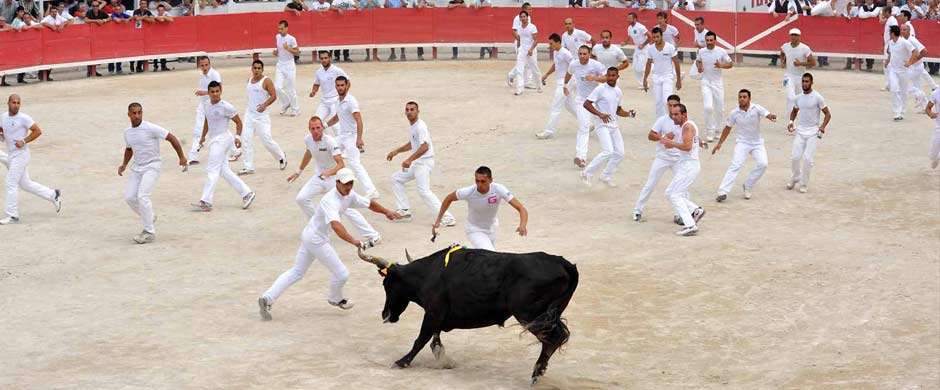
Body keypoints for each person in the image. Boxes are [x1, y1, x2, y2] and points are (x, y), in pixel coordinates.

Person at [258, 168, 401, 321]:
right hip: (316, 240)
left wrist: (386, 212)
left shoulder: (349, 194)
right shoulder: (330, 201)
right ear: (337, 182)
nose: (349, 187)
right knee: (342, 273)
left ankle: (267, 298)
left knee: (297, 272)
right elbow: (335, 225)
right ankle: (335, 298)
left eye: (351, 183)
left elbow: (369, 204)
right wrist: (353, 240)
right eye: (345, 184)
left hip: (310, 235)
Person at [289, 116, 382, 246]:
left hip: (334, 179)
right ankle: (320, 228)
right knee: (301, 199)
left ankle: (373, 235)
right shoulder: (308, 139)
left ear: (322, 128)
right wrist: (298, 171)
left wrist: (329, 172)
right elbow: (309, 153)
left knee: (348, 209)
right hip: (319, 177)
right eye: (313, 128)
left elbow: (341, 164)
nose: (316, 131)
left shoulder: (330, 141)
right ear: (309, 129)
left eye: (318, 128)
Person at [117, 102, 187, 244]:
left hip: (153, 165)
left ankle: (149, 231)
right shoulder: (127, 132)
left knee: (143, 195)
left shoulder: (150, 128)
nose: (137, 116)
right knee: (129, 197)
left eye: (139, 112)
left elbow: (171, 138)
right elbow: (129, 149)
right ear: (129, 115)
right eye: (134, 113)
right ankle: (150, 216)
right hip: (137, 167)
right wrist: (124, 164)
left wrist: (182, 157)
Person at [386, 101, 456, 226]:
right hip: (418, 163)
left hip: (424, 163)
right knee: (396, 178)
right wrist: (396, 151)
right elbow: (412, 144)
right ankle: (404, 210)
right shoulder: (413, 126)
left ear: (418, 111)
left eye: (412, 109)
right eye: (407, 110)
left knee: (424, 191)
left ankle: (448, 217)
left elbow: (425, 147)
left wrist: (409, 160)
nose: (409, 112)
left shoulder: (420, 126)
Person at [191, 81, 256, 211]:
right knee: (224, 171)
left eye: (217, 91)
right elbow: (207, 121)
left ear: (220, 91)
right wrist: (203, 136)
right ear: (208, 93)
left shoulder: (227, 107)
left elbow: (238, 122)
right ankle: (247, 193)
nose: (215, 94)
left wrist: (238, 137)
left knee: (212, 169)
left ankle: (206, 201)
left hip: (223, 140)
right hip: (215, 139)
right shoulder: (206, 105)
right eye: (212, 92)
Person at [432, 166, 528, 250]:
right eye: (477, 181)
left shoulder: (499, 189)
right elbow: (448, 199)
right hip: (474, 229)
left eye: (483, 181)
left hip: (493, 228)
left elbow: (521, 208)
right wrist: (438, 221)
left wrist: (522, 225)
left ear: (491, 180)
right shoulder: (468, 192)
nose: (479, 184)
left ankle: (467, 251)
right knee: (490, 256)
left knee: (486, 258)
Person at [0, 94, 62, 225]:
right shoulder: (3, 117)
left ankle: (13, 216)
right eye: (13, 102)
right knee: (25, 184)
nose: (16, 105)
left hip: (21, 155)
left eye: (18, 103)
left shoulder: (24, 118)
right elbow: (3, 131)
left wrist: (24, 140)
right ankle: (53, 194)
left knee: (11, 182)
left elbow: (37, 131)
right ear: (8, 103)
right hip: (12, 155)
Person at [712, 89, 777, 202]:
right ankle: (722, 192)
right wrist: (719, 143)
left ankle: (748, 185)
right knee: (736, 165)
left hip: (757, 143)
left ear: (749, 99)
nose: (741, 99)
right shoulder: (734, 113)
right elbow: (727, 128)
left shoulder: (756, 108)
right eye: (740, 97)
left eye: (744, 97)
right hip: (742, 142)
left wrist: (771, 116)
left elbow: (767, 114)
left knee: (763, 164)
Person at [581, 67, 636, 188]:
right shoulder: (600, 89)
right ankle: (586, 173)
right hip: (602, 125)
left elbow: (618, 110)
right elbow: (586, 103)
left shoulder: (618, 91)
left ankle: (606, 175)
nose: (611, 78)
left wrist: (628, 114)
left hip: (614, 126)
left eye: (613, 76)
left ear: (617, 77)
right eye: (609, 75)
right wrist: (600, 114)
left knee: (620, 153)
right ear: (606, 76)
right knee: (608, 151)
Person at [325, 76, 379, 199]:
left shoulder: (351, 101)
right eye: (338, 85)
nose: (340, 88)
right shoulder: (337, 101)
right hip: (342, 136)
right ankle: (331, 183)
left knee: (355, 164)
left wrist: (359, 138)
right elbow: (337, 117)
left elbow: (358, 119)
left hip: (352, 137)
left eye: (342, 85)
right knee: (329, 152)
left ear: (346, 85)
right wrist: (324, 125)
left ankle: (372, 190)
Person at [632, 94, 682, 222]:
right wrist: (663, 137)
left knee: (681, 187)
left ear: (679, 106)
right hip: (662, 157)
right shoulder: (662, 120)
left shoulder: (684, 122)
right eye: (669, 105)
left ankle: (680, 214)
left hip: (678, 159)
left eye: (674, 105)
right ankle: (637, 210)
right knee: (650, 184)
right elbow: (650, 136)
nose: (671, 108)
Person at [659, 103, 705, 236]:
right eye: (672, 114)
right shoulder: (680, 128)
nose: (673, 117)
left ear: (684, 115)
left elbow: (687, 147)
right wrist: (666, 141)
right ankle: (695, 210)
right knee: (669, 192)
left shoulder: (688, 127)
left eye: (676, 114)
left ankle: (690, 225)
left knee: (675, 194)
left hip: (689, 166)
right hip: (686, 165)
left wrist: (670, 143)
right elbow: (672, 142)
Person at [238, 60, 287, 175]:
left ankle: (281, 157)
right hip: (249, 115)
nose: (257, 70)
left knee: (266, 140)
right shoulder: (249, 80)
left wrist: (265, 105)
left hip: (261, 117)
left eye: (259, 68)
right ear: (252, 69)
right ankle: (248, 166)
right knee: (246, 140)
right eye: (255, 68)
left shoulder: (266, 81)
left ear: (262, 69)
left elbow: (274, 96)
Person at [787, 73, 832, 193]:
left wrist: (822, 126)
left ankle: (804, 183)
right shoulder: (799, 97)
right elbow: (794, 111)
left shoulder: (817, 97)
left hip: (813, 132)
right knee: (795, 157)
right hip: (800, 131)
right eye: (803, 81)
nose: (804, 84)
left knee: (807, 159)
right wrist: (791, 121)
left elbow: (828, 114)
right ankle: (796, 176)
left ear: (811, 83)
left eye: (807, 81)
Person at [565, 45, 607, 168]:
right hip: (581, 101)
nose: (582, 56)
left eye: (585, 54)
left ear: (589, 54)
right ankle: (581, 157)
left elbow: (606, 78)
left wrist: (594, 78)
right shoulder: (574, 64)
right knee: (583, 127)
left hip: (596, 101)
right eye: (580, 54)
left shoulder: (596, 65)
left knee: (604, 127)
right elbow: (568, 73)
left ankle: (611, 152)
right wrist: (565, 85)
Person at [536, 33, 578, 140]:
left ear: (558, 42)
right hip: (561, 81)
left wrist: (569, 82)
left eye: (551, 43)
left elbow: (574, 66)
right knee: (570, 105)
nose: (550, 45)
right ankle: (587, 123)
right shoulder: (556, 52)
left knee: (555, 106)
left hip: (566, 82)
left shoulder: (566, 53)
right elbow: (556, 65)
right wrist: (546, 74)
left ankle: (549, 131)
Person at [695, 31, 733, 142]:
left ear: (715, 40)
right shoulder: (701, 51)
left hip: (718, 83)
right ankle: (709, 131)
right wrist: (699, 67)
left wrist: (721, 65)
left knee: (720, 109)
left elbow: (730, 64)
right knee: (708, 107)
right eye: (707, 40)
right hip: (706, 82)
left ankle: (718, 130)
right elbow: (698, 61)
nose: (709, 42)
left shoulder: (721, 51)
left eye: (711, 40)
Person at [188, 56, 221, 165]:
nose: (204, 67)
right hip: (203, 106)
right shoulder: (202, 76)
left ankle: (234, 150)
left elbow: (219, 90)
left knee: (218, 131)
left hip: (213, 106)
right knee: (198, 130)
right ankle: (193, 156)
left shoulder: (214, 74)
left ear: (210, 64)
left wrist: (204, 93)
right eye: (202, 65)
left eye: (206, 65)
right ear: (199, 66)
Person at [643, 27, 682, 118]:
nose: (656, 39)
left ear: (662, 36)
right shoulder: (651, 49)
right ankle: (660, 123)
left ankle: (671, 120)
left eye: (657, 37)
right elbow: (648, 64)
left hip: (668, 76)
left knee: (666, 101)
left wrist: (679, 80)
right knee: (657, 102)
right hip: (656, 77)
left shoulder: (670, 47)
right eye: (654, 37)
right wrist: (645, 79)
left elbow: (676, 63)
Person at [779, 28, 815, 119]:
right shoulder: (785, 46)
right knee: (790, 97)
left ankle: (795, 116)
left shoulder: (805, 48)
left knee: (799, 99)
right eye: (792, 35)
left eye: (795, 35)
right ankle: (791, 120)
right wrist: (783, 61)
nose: (793, 37)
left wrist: (801, 64)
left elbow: (813, 63)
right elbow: (782, 52)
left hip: (801, 77)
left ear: (799, 37)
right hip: (788, 76)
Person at [886, 24, 920, 121]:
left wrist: (910, 62)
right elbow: (891, 53)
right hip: (893, 70)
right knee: (894, 89)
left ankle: (902, 111)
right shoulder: (890, 43)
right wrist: (888, 61)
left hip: (903, 71)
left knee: (904, 92)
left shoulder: (904, 42)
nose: (889, 34)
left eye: (890, 33)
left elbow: (915, 51)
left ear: (893, 34)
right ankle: (897, 112)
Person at [310, 51, 347, 135]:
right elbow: (316, 83)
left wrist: (343, 96)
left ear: (330, 58)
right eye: (322, 58)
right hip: (324, 101)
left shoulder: (337, 70)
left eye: (326, 58)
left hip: (335, 100)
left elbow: (347, 81)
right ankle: (325, 140)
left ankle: (340, 144)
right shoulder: (319, 72)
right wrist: (313, 91)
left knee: (336, 126)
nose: (324, 60)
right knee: (317, 121)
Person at [901, 24, 935, 110]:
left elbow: (924, 51)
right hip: (915, 66)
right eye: (901, 30)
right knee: (917, 87)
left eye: (904, 30)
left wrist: (912, 61)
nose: (902, 31)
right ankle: (925, 106)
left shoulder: (912, 40)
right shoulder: (904, 40)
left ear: (909, 31)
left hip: (916, 67)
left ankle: (921, 96)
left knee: (903, 82)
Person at [507, 11, 540, 96]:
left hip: (530, 49)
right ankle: (519, 89)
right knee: (519, 69)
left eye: (524, 16)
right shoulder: (519, 28)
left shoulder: (532, 27)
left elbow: (536, 40)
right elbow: (519, 39)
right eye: (521, 17)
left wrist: (531, 49)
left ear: (527, 17)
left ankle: (539, 86)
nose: (523, 18)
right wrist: (518, 49)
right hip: (522, 50)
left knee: (534, 68)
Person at [274, 20, 300, 117]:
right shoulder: (277, 37)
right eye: (279, 28)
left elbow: (297, 52)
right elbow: (278, 49)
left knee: (290, 89)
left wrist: (288, 48)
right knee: (277, 87)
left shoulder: (292, 39)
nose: (279, 30)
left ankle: (295, 109)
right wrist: (276, 52)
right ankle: (286, 102)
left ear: (286, 28)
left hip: (289, 66)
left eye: (281, 28)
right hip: (280, 65)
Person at [624, 12, 652, 88]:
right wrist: (625, 43)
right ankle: (643, 84)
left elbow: (650, 37)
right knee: (635, 67)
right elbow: (629, 37)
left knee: (640, 68)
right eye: (628, 18)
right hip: (637, 49)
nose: (628, 20)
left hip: (645, 48)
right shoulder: (629, 28)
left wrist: (643, 45)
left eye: (630, 18)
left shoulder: (641, 27)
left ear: (635, 19)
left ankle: (645, 83)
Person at [926, 88, 940, 169]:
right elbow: (927, 108)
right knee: (933, 154)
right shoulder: (936, 93)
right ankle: (936, 158)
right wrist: (931, 114)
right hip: (939, 127)